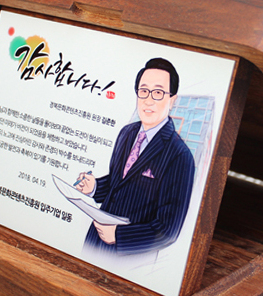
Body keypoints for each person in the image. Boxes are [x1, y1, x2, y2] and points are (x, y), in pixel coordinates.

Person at [75, 58, 195, 256]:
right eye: (143, 91)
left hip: (129, 257)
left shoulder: (179, 155)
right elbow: (119, 183)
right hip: (94, 241)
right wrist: (94, 186)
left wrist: (119, 236)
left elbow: (168, 231)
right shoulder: (127, 132)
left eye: (158, 93)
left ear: (172, 100)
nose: (148, 100)